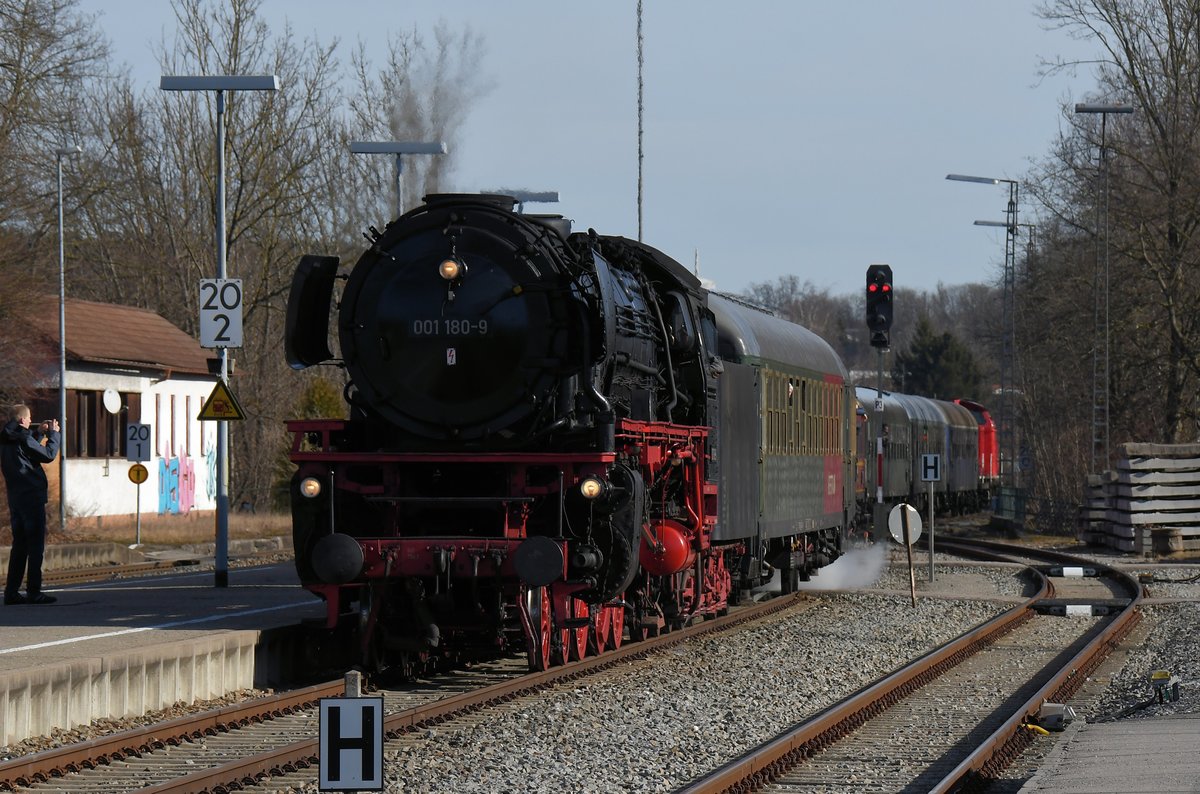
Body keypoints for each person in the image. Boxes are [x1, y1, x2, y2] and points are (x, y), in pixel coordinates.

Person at [2, 404, 61, 605]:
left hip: (16, 499)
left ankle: (11, 592)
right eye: (29, 419)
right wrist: (53, 435)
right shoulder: (23, 437)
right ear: (22, 420)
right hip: (32, 498)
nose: (30, 421)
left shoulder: (5, 439)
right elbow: (47, 455)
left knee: (19, 546)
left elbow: (26, 452)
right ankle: (34, 592)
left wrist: (38, 433)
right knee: (36, 547)